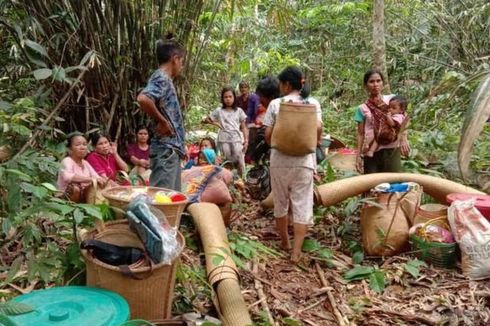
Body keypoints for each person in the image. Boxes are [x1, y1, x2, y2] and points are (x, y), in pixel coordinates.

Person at [263, 66, 323, 263]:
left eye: (281, 83)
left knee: (281, 203)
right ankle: (296, 252)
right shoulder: (313, 103)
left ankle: (285, 242)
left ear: (287, 84)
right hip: (304, 162)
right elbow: (318, 130)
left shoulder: (275, 104)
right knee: (302, 205)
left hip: (279, 161)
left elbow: (268, 136)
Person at [137, 33, 186, 191]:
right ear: (175, 58)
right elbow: (143, 98)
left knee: (170, 201)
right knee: (160, 201)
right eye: (182, 61)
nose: (181, 66)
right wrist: (162, 121)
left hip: (171, 149)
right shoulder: (162, 77)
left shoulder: (164, 79)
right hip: (166, 149)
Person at [354, 69, 410, 173]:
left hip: (391, 148)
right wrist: (358, 156)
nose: (375, 84)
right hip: (370, 151)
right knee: (372, 185)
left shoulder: (393, 100)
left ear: (383, 83)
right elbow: (361, 134)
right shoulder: (362, 108)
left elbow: (405, 118)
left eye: (378, 81)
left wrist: (404, 138)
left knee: (392, 183)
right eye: (371, 81)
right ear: (365, 86)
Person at [204, 86, 249, 178]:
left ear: (234, 98)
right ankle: (226, 180)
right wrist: (217, 124)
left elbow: (244, 127)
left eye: (230, 96)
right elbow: (207, 120)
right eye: (225, 97)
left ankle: (241, 181)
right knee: (226, 160)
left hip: (236, 139)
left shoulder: (239, 111)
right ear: (222, 98)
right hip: (223, 139)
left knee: (239, 158)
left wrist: (246, 140)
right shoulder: (219, 111)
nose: (228, 99)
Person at [57, 132, 107, 202]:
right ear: (70, 149)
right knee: (75, 188)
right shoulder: (67, 161)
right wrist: (91, 179)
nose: (82, 147)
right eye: (78, 145)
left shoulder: (85, 163)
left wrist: (103, 180)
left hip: (83, 196)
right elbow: (68, 177)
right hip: (64, 197)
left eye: (84, 144)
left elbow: (96, 177)